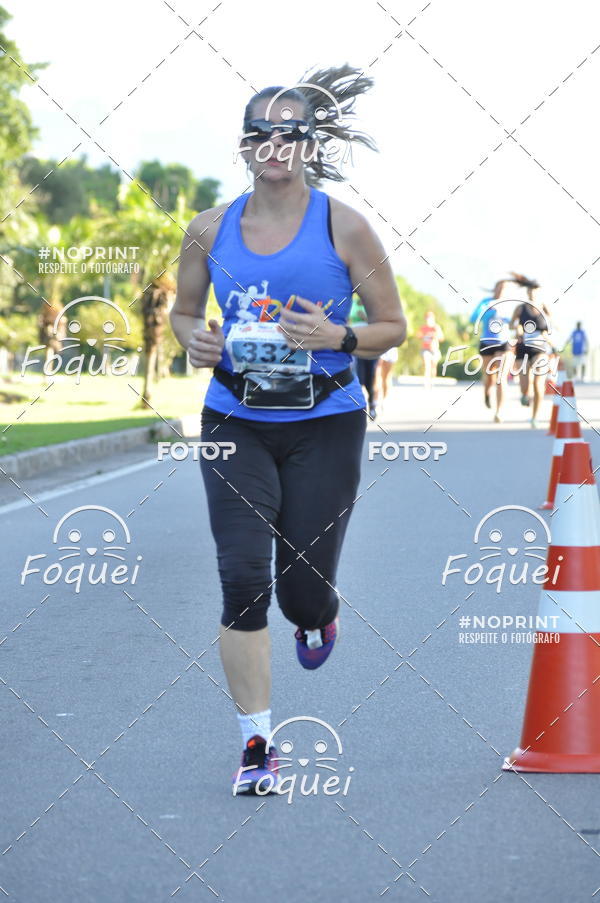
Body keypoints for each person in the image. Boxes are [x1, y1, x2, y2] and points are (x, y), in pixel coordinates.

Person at [170, 65, 406, 795]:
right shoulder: (208, 229)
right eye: (260, 133)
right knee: (242, 576)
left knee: (301, 590)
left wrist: (336, 336)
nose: (275, 143)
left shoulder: (346, 225)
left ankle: (317, 617)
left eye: (290, 132)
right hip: (235, 417)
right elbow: (183, 311)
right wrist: (193, 340)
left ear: (309, 145)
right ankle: (256, 745)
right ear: (244, 148)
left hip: (326, 423)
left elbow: (391, 328)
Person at [509, 274, 552, 428]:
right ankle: (524, 395)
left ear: (539, 291)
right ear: (527, 292)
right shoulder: (520, 308)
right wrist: (518, 328)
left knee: (539, 384)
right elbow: (511, 325)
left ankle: (535, 417)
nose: (532, 294)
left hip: (540, 349)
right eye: (530, 291)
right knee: (525, 385)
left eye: (535, 291)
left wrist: (550, 340)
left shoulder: (544, 307)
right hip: (523, 348)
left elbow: (549, 327)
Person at [470, 280, 511, 422]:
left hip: (503, 343)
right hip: (487, 343)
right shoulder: (486, 302)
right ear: (494, 289)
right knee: (489, 377)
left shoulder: (509, 304)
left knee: (501, 378)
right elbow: (473, 319)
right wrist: (489, 311)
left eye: (504, 289)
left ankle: (499, 411)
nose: (501, 291)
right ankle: (487, 392)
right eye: (499, 288)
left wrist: (504, 316)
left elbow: (514, 322)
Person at [348, 294, 380, 418]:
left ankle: (372, 405)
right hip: (356, 347)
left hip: (371, 346)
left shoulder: (372, 304)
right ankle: (360, 407)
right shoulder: (352, 304)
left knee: (370, 379)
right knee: (358, 377)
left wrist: (366, 318)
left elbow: (379, 323)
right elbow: (347, 321)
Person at [418, 311, 444, 388]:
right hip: (425, 349)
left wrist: (435, 334)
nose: (428, 319)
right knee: (426, 365)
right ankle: (426, 383)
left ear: (433, 318)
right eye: (427, 317)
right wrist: (424, 335)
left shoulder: (436, 327)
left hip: (435, 350)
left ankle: (432, 381)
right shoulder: (423, 327)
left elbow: (441, 338)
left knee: (433, 366)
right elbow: (418, 336)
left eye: (430, 317)